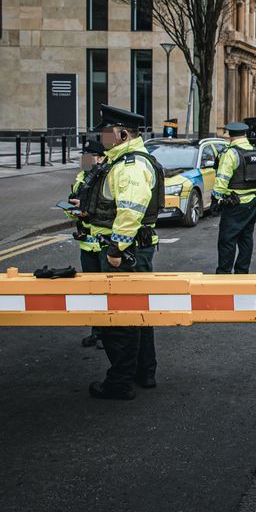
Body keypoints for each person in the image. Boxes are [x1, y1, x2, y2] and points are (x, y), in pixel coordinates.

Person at [83, 105, 164, 400]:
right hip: (135, 251)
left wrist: (115, 250)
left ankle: (119, 382)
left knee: (121, 321)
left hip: (126, 252)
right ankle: (145, 372)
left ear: (122, 134)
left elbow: (130, 212)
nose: (101, 137)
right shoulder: (122, 162)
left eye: (106, 132)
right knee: (138, 315)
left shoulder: (130, 167)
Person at [68, 140, 109, 349]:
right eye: (84, 155)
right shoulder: (82, 177)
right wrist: (71, 209)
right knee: (92, 292)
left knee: (106, 292)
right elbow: (73, 200)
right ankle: (97, 331)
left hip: (103, 245)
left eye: (90, 155)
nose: (85, 159)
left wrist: (87, 211)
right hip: (87, 245)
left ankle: (107, 335)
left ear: (100, 158)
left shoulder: (106, 178)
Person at [213, 122, 256, 274]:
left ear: (230, 135)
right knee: (246, 238)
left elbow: (221, 180)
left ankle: (224, 273)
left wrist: (216, 199)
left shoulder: (230, 154)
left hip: (234, 204)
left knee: (227, 239)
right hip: (254, 202)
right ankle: (242, 272)